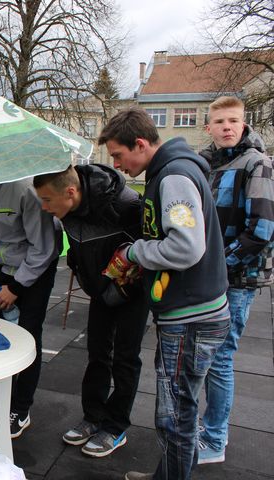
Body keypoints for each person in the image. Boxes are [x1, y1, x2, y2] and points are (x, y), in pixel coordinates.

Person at [98, 108, 231, 480]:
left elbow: (186, 247)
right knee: (179, 409)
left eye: (118, 155)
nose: (117, 164)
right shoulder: (169, 172)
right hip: (193, 310)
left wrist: (135, 253)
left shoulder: (173, 176)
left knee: (174, 415)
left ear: (140, 144)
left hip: (191, 316)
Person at [33, 164, 149, 458]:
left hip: (131, 292)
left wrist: (125, 284)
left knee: (125, 359)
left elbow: (147, 249)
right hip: (99, 290)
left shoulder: (124, 204)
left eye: (47, 200)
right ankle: (93, 416)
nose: (44, 207)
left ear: (70, 192)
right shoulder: (67, 210)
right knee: (97, 353)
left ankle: (115, 426)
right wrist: (78, 264)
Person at [197, 96, 274, 464]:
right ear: (208, 127)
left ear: (244, 124)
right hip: (213, 275)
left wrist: (219, 266)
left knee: (220, 358)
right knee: (206, 357)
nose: (227, 127)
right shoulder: (207, 164)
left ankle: (215, 441)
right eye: (220, 121)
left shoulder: (257, 163)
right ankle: (209, 430)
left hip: (238, 277)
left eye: (233, 120)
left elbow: (262, 230)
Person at [0, 179, 59, 438]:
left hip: (35, 269)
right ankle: (0, 402)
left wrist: (16, 287)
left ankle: (20, 408)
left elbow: (44, 247)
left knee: (28, 338)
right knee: (4, 337)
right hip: (5, 267)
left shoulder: (24, 191)